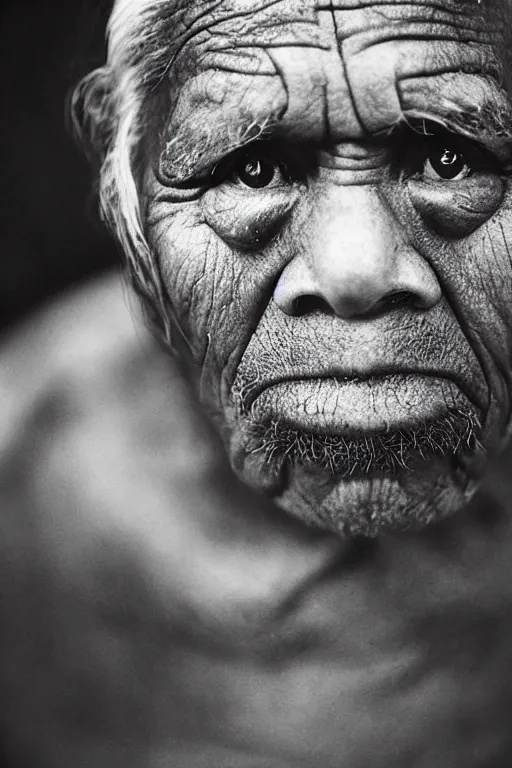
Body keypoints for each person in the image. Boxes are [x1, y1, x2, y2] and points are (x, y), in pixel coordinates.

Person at [2, 0, 512, 765]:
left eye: (448, 158)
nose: (355, 271)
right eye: (254, 169)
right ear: (128, 208)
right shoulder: (20, 481)